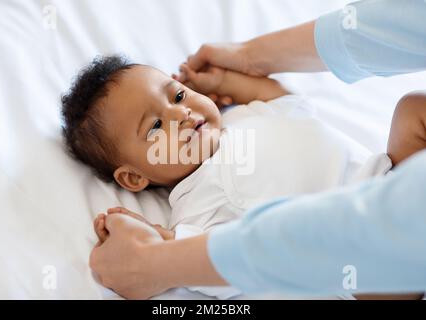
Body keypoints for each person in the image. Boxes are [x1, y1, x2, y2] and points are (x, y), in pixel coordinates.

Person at [89, 0, 426, 299]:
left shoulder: (245, 116)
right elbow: (208, 265)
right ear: (134, 177)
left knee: (412, 108)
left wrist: (223, 80)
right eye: (155, 126)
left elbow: (277, 95)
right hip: (365, 272)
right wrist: (156, 239)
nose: (180, 113)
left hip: (392, 185)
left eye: (177, 95)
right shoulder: (197, 200)